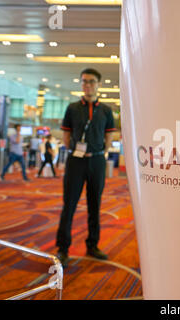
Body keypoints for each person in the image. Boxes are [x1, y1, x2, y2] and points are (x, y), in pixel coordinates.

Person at [56, 68, 116, 268]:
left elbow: (109, 136)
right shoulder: (72, 108)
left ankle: (93, 244)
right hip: (76, 161)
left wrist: (101, 152)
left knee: (94, 204)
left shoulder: (106, 110)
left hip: (97, 162)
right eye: (83, 81)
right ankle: (63, 248)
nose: (87, 85)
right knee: (69, 204)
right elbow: (66, 135)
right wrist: (74, 150)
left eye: (91, 81)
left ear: (98, 84)